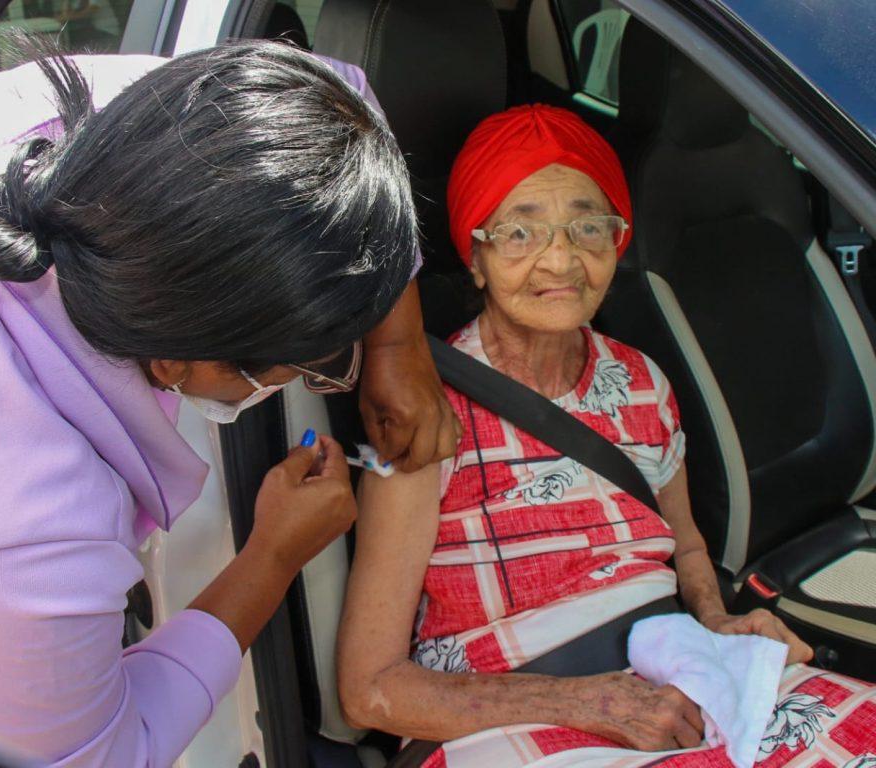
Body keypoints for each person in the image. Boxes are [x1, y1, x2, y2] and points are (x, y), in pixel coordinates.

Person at [0, 43, 458, 766]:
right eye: (314, 366)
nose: (324, 375)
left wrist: (398, 351)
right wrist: (271, 556)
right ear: (177, 362)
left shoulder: (143, 125)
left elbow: (339, 98)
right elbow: (105, 755)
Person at [337, 104, 876, 766]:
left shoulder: (643, 380)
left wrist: (718, 621)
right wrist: (585, 704)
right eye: (519, 234)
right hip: (511, 714)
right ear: (475, 259)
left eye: (587, 227)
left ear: (617, 243)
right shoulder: (424, 410)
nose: (560, 259)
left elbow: (685, 546)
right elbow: (370, 692)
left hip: (678, 677)